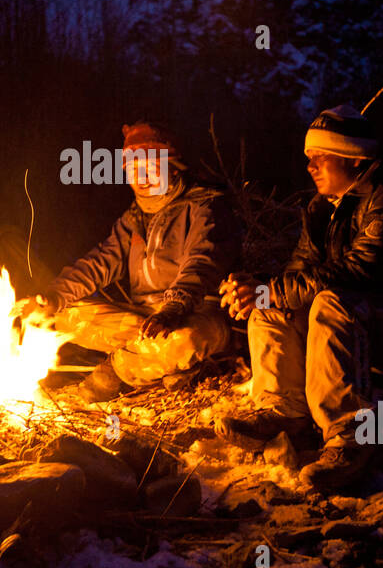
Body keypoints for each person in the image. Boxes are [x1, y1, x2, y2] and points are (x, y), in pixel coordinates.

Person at [216, 105, 383, 492]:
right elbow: (299, 277)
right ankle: (285, 410)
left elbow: (360, 272)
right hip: (364, 322)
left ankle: (351, 434)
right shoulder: (321, 210)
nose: (310, 166)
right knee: (272, 304)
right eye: (308, 157)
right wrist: (258, 289)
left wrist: (273, 288)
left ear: (353, 158)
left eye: (320, 157)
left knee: (331, 301)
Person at [23, 123, 241, 402]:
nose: (141, 176)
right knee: (58, 317)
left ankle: (118, 372)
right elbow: (101, 262)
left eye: (150, 167)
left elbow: (203, 262)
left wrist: (174, 307)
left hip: (196, 315)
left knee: (184, 340)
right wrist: (54, 297)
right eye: (133, 169)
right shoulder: (134, 219)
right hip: (145, 320)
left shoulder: (205, 208)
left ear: (173, 167)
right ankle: (165, 368)